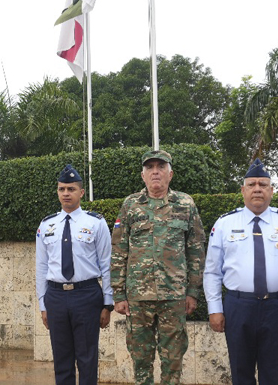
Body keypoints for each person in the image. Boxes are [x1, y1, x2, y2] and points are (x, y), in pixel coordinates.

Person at [204, 159, 278, 385]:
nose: (257, 189)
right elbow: (212, 271)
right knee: (240, 373)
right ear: (243, 190)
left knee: (273, 374)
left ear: (271, 190)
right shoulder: (225, 223)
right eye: (252, 184)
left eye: (263, 184)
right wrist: (215, 308)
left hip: (277, 307)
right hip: (238, 307)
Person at [111, 149, 206, 385]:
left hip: (173, 297)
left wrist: (193, 292)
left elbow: (196, 250)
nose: (155, 172)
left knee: (173, 362)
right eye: (150, 168)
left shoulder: (185, 204)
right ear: (143, 175)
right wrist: (119, 293)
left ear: (170, 174)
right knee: (141, 361)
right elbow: (119, 251)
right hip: (138, 297)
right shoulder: (131, 205)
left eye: (161, 167)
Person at [35, 164, 114, 385]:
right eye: (62, 189)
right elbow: (41, 267)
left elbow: (106, 264)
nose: (66, 193)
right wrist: (43, 305)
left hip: (87, 295)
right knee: (62, 360)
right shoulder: (46, 224)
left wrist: (107, 304)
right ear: (58, 192)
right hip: (56, 296)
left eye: (70, 189)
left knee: (87, 359)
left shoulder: (96, 223)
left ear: (81, 192)